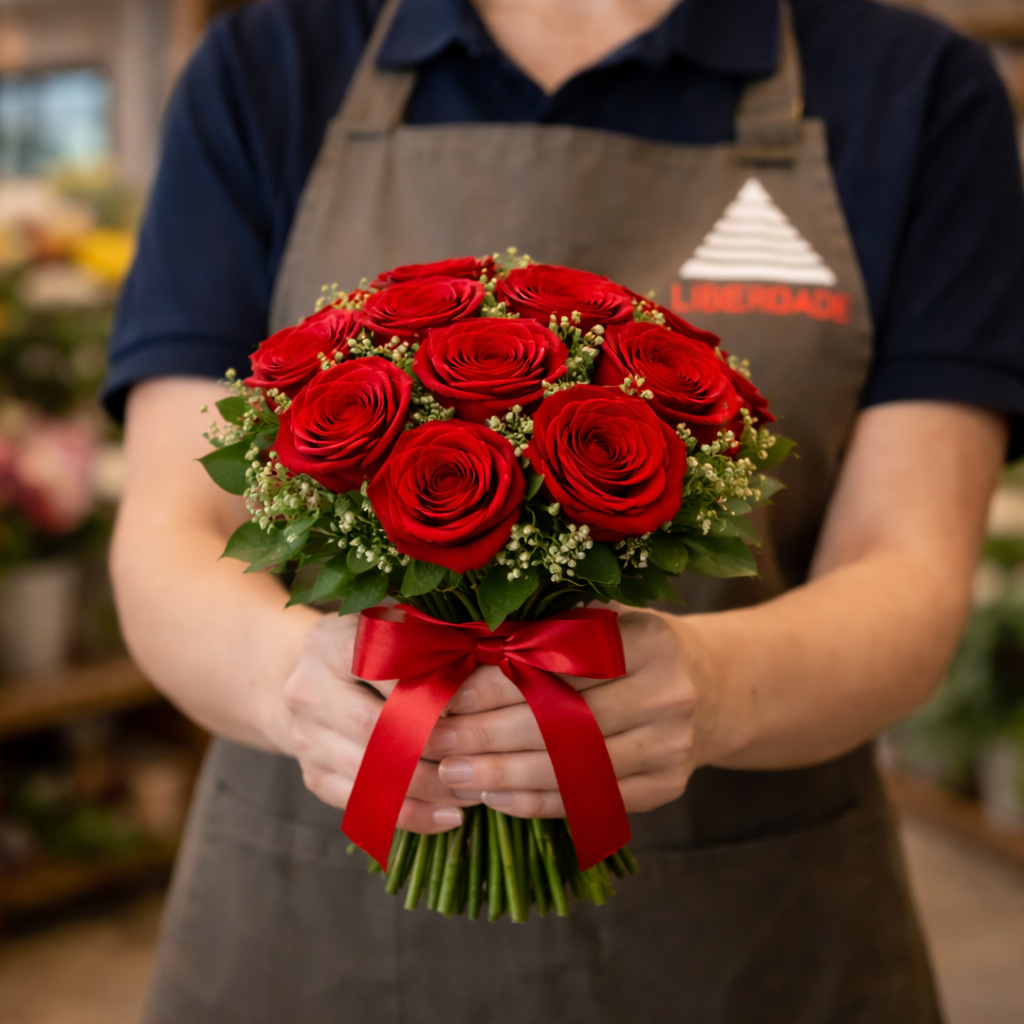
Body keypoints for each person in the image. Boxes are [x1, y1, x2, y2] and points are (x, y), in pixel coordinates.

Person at [104, 0, 1024, 1021]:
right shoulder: (270, 66)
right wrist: (295, 686)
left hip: (746, 935)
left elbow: (908, 561)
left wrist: (720, 686)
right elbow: (172, 529)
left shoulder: (911, 88)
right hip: (311, 927)